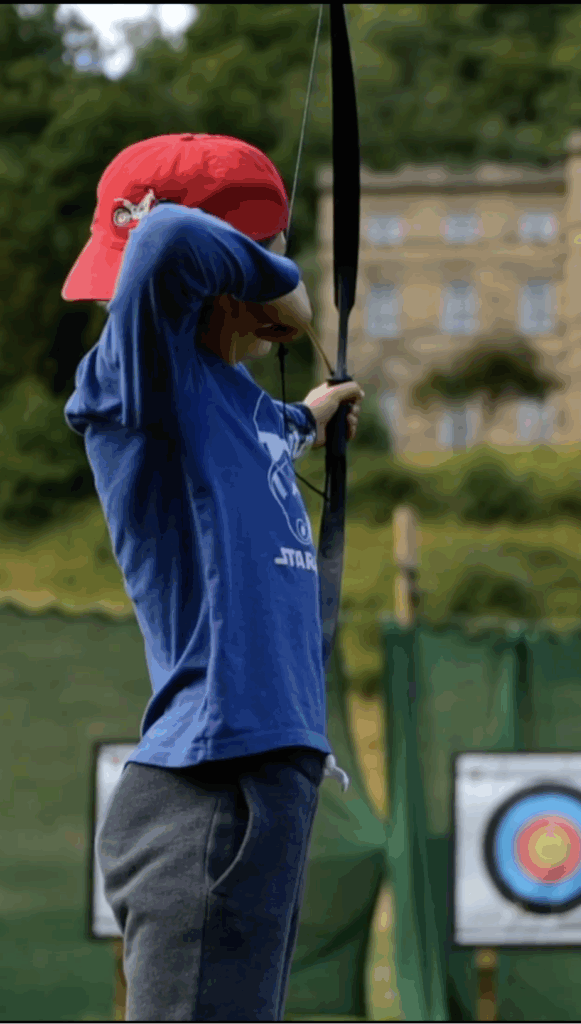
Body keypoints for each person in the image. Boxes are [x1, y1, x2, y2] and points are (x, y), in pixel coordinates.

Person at [62, 133, 363, 1021]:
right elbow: (163, 246)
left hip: (259, 785)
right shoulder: (135, 379)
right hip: (210, 794)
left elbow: (264, 437)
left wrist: (310, 418)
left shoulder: (227, 398)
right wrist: (287, 283)